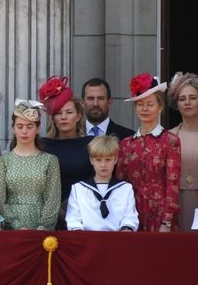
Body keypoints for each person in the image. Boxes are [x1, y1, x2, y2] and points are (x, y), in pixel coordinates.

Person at [116, 74, 181, 232]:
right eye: (140, 104)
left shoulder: (170, 141)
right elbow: (120, 184)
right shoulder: (125, 144)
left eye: (150, 104)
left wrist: (166, 221)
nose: (144, 109)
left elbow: (173, 184)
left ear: (160, 107)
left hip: (160, 213)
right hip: (131, 212)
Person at [0, 100, 61, 230]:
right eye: (20, 126)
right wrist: (16, 226)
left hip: (42, 230)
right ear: (13, 128)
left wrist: (42, 227)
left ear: (38, 129)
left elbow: (53, 199)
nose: (24, 131)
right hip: (11, 229)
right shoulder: (3, 161)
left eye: (29, 126)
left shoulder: (50, 161)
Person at [38, 76, 93, 214]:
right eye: (58, 113)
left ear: (79, 116)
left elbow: (95, 180)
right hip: (48, 212)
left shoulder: (90, 144)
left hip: (84, 209)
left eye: (69, 112)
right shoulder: (43, 145)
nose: (63, 117)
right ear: (53, 118)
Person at [66, 136, 138, 231]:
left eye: (108, 160)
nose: (103, 165)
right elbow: (73, 218)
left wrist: (127, 228)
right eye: (98, 160)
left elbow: (130, 217)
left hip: (117, 239)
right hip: (88, 240)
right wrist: (78, 231)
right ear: (91, 160)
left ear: (115, 160)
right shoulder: (78, 189)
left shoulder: (125, 188)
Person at [168, 72, 198, 231]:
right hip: (177, 202)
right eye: (182, 98)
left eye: (192, 97)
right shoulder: (170, 137)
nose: (187, 102)